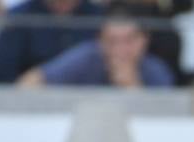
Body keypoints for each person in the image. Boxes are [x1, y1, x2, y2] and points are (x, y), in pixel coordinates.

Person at [18, 3, 174, 87]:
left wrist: (132, 86)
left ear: (144, 40)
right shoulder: (86, 57)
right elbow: (33, 80)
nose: (120, 49)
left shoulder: (156, 70)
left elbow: (166, 119)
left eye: (129, 40)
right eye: (112, 41)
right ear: (100, 40)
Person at [0, 0, 102, 84]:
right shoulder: (18, 17)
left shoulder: (100, 17)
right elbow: (2, 78)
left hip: (90, 103)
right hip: (30, 105)